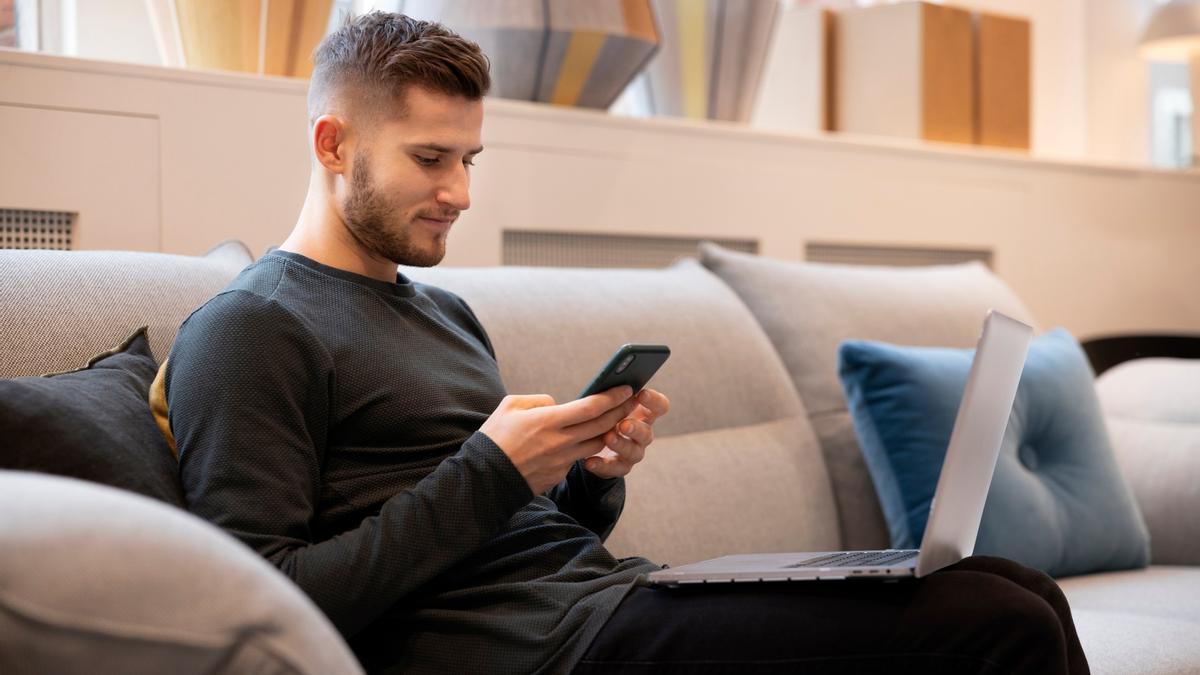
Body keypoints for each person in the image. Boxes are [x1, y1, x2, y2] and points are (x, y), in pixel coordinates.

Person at [165, 11, 1089, 675]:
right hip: (535, 648)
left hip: (606, 600)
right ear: (333, 144)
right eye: (430, 158)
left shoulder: (444, 313)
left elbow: (517, 534)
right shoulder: (253, 328)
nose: (461, 191)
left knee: (1016, 585)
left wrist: (588, 479)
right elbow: (261, 601)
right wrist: (492, 468)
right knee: (996, 621)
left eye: (470, 159)